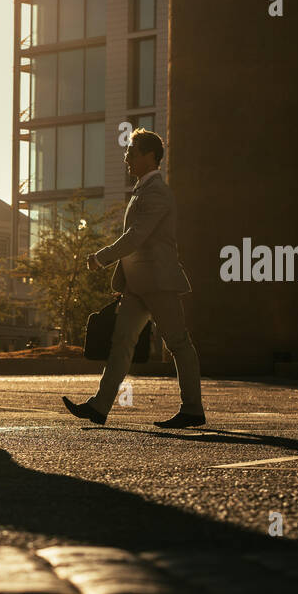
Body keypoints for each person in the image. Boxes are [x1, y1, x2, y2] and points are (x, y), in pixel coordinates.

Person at [61, 128, 205, 429]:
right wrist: (125, 281)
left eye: (133, 152)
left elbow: (136, 236)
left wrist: (102, 257)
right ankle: (99, 407)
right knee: (121, 343)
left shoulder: (158, 193)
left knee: (178, 343)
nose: (127, 157)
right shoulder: (142, 190)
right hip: (138, 286)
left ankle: (192, 408)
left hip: (160, 282)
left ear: (150, 156)